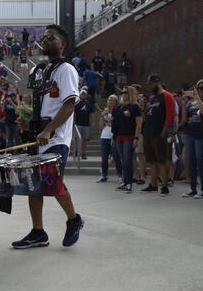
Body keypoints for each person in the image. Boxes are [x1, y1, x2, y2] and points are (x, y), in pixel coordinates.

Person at [11, 24, 84, 249]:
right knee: (34, 186)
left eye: (51, 37)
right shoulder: (45, 72)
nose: (45, 40)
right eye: (43, 37)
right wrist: (30, 121)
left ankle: (74, 220)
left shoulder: (66, 69)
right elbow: (46, 106)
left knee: (53, 183)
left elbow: (69, 105)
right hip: (40, 137)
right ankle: (38, 232)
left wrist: (48, 130)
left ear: (63, 44)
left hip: (56, 138)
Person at [180, 79, 203, 199]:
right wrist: (184, 104)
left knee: (200, 161)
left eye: (202, 88)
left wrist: (198, 99)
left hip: (202, 135)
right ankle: (192, 188)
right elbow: (185, 120)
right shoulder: (192, 102)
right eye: (198, 88)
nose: (199, 90)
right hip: (190, 133)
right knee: (191, 161)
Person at [141, 74, 176, 197]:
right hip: (148, 132)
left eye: (152, 84)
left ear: (158, 82)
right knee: (151, 161)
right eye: (149, 84)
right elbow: (146, 114)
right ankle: (153, 184)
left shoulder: (167, 96)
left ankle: (165, 186)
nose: (150, 86)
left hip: (159, 133)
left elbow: (170, 114)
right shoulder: (152, 98)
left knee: (162, 160)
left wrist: (164, 131)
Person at [113, 88, 142, 192]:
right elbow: (115, 124)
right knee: (122, 160)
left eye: (125, 92)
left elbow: (138, 124)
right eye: (122, 92)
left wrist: (136, 137)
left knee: (127, 160)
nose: (123, 94)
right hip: (119, 136)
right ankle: (125, 182)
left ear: (130, 94)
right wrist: (114, 137)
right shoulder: (119, 107)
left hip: (129, 137)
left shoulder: (135, 107)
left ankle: (129, 183)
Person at [98, 94, 122, 184]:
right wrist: (102, 116)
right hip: (104, 136)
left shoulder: (118, 111)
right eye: (109, 100)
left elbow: (117, 124)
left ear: (116, 101)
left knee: (116, 157)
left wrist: (109, 123)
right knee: (104, 158)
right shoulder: (105, 111)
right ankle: (104, 175)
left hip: (114, 136)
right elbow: (101, 126)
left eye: (112, 100)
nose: (110, 101)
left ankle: (120, 176)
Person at [74, 90, 94, 159]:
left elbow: (91, 113)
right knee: (77, 139)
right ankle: (76, 150)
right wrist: (74, 122)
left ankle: (83, 153)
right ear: (79, 95)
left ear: (86, 95)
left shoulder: (89, 104)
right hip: (78, 123)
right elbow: (75, 114)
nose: (83, 95)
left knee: (84, 140)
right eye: (82, 94)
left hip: (86, 124)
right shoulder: (77, 104)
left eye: (84, 94)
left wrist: (92, 121)